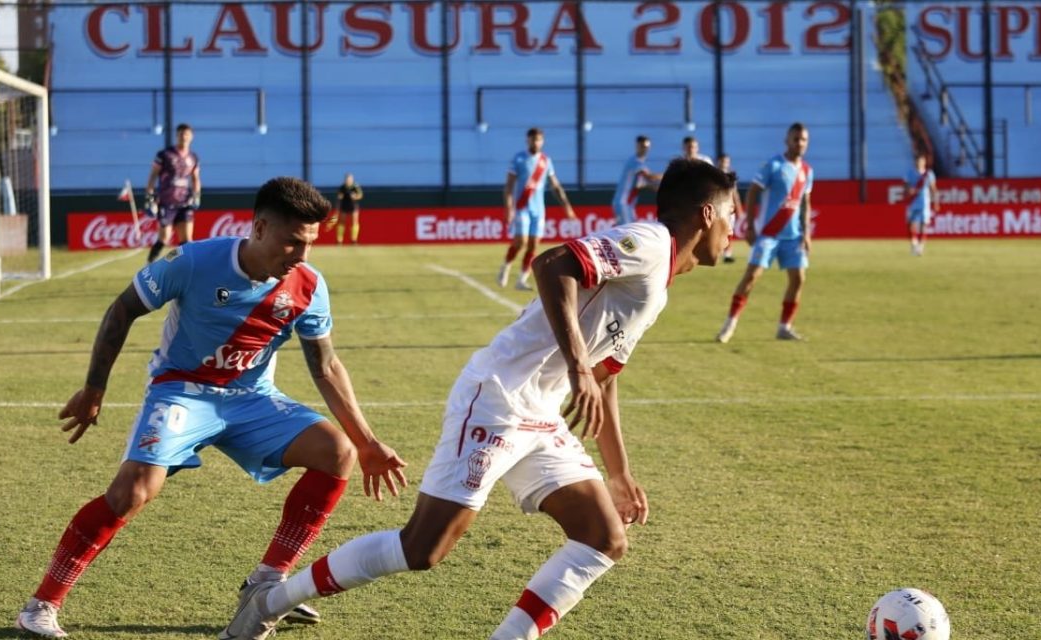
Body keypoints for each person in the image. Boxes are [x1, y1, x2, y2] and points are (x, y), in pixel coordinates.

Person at [220, 159, 738, 640]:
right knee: (423, 549)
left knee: (603, 537)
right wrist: (578, 366)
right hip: (498, 400)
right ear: (707, 213)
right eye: (732, 215)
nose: (734, 229)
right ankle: (267, 602)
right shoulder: (648, 243)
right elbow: (553, 263)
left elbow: (603, 378)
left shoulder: (659, 283)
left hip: (541, 414)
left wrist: (619, 471)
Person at [14, 177, 408, 639]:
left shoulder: (308, 285)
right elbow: (122, 310)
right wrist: (93, 389)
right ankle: (40, 606)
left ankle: (266, 583)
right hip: (181, 391)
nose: (301, 257)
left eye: (309, 246)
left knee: (336, 452)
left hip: (253, 398)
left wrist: (366, 442)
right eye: (292, 243)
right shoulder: (195, 260)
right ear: (259, 228)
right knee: (132, 492)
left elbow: (326, 366)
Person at [716, 122, 813, 343]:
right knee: (751, 277)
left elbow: (806, 201)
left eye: (804, 139)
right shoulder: (774, 165)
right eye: (796, 139)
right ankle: (729, 324)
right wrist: (750, 225)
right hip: (769, 234)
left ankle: (784, 327)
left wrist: (806, 232)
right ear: (787, 140)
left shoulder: (807, 171)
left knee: (798, 279)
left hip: (793, 236)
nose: (800, 143)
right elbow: (752, 192)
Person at [499, 127, 576, 291]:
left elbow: (555, 186)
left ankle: (521, 279)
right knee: (521, 242)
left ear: (542, 141)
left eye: (538, 140)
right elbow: (509, 186)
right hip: (521, 208)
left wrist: (567, 207)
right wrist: (509, 207)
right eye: (533, 139)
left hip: (538, 210)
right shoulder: (519, 159)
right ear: (528, 140)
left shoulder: (546, 161)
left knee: (534, 245)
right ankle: (506, 266)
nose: (536, 142)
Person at [145, 123, 201, 263]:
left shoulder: (193, 157)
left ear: (192, 137)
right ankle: (150, 264)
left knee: (187, 241)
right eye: (181, 133)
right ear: (176, 135)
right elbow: (153, 176)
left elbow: (195, 179)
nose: (184, 136)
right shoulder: (164, 155)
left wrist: (197, 195)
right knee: (164, 238)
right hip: (166, 202)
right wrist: (150, 197)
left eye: (187, 134)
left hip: (184, 203)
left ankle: (184, 266)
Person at [611, 135, 661, 227]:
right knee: (628, 232)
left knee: (628, 230)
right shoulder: (635, 162)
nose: (644, 149)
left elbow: (642, 184)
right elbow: (650, 177)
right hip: (623, 203)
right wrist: (668, 174)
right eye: (642, 146)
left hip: (628, 205)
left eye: (646, 147)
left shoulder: (639, 163)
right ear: (637, 146)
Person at [904, 153, 938, 256]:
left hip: (924, 203)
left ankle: (921, 246)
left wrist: (936, 202)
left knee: (924, 225)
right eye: (918, 161)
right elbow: (905, 187)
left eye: (921, 161)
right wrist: (909, 190)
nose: (919, 163)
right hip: (912, 202)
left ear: (924, 162)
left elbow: (933, 189)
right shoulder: (910, 173)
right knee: (911, 224)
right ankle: (914, 243)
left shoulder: (929, 174)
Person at [717, 153, 740, 263]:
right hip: (718, 207)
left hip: (729, 208)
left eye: (726, 161)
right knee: (717, 231)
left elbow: (734, 193)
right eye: (722, 161)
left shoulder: (731, 176)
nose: (724, 163)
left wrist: (738, 207)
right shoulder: (714, 175)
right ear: (718, 162)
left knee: (729, 231)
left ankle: (727, 254)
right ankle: (716, 251)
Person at [331, 173, 363, 245]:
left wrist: (355, 197)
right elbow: (339, 197)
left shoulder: (356, 186)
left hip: (353, 206)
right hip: (344, 206)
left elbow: (360, 195)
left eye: (350, 179)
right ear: (345, 180)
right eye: (347, 179)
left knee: (354, 222)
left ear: (352, 179)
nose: (348, 180)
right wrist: (339, 199)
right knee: (342, 222)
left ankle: (354, 240)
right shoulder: (342, 187)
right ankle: (339, 240)